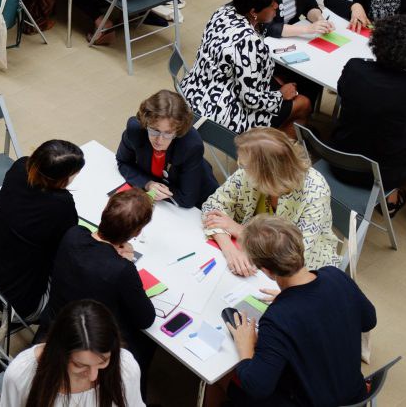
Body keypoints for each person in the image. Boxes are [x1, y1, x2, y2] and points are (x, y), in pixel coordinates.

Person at [211, 215, 376, 407]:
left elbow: (257, 387)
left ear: (266, 270)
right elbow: (369, 320)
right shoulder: (336, 276)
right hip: (355, 395)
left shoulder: (277, 318)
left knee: (220, 379)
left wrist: (245, 347)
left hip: (307, 400)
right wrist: (292, 299)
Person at [42, 189, 156, 380]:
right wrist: (125, 261)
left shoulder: (73, 234)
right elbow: (146, 318)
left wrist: (112, 252)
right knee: (147, 341)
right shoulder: (122, 270)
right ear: (137, 232)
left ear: (105, 212)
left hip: (54, 323)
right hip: (89, 342)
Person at [331, 14, 406, 216]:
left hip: (339, 160)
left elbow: (343, 92)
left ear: (376, 41)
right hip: (384, 175)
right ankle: (390, 199)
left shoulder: (354, 67)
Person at [180, 0, 311, 137]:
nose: (276, 6)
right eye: (271, 5)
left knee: (280, 80)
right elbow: (250, 99)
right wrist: (280, 96)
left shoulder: (222, 12)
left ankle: (276, 135)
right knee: (303, 104)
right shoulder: (249, 42)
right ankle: (269, 155)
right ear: (254, 12)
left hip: (195, 93)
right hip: (221, 113)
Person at [0, 140, 83, 321]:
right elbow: (70, 244)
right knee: (78, 285)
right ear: (63, 178)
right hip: (10, 307)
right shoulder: (61, 204)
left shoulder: (20, 167)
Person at [202, 127, 340, 277]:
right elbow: (212, 206)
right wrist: (230, 250)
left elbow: (293, 256)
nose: (240, 166)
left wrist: (241, 231)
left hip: (297, 272)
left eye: (245, 165)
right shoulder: (249, 173)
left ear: (267, 172)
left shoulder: (315, 191)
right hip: (250, 256)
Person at [0, 300, 146, 407]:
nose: (93, 376)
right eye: (79, 365)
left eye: (103, 362)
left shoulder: (126, 369)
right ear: (59, 353)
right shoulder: (21, 376)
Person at [116, 90, 218, 209]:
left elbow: (187, 199)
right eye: (154, 130)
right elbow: (122, 162)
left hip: (200, 202)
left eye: (168, 133)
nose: (159, 140)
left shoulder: (191, 146)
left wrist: (157, 189)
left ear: (178, 131)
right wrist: (148, 184)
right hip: (166, 197)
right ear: (146, 123)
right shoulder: (135, 129)